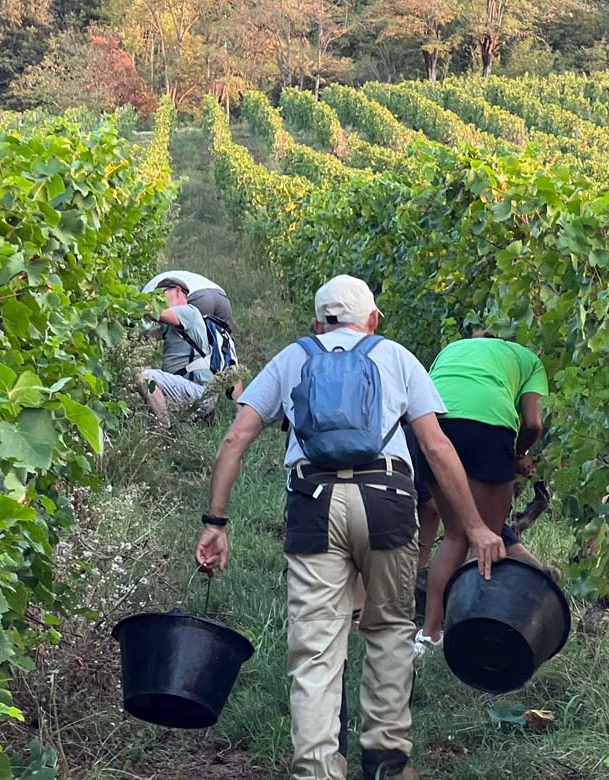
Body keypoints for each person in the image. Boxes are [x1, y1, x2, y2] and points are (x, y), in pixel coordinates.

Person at [193, 275, 505, 780]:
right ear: (373, 319)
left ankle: (317, 768)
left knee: (315, 646)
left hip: (314, 503)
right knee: (386, 631)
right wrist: (475, 526)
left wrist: (216, 522)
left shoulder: (294, 357)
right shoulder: (396, 356)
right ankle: (386, 759)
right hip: (387, 501)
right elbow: (437, 447)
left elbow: (235, 440)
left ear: (317, 322)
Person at [414, 332, 548, 657]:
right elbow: (533, 422)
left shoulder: (452, 348)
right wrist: (519, 453)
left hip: (433, 425)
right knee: (489, 539)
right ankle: (489, 629)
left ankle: (429, 635)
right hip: (489, 425)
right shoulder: (530, 361)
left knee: (456, 536)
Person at [137, 277, 214, 422]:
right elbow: (146, 337)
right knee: (134, 383)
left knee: (144, 377)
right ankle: (163, 424)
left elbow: (157, 314)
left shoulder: (188, 311)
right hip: (186, 389)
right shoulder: (174, 325)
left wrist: (135, 304)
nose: (158, 300)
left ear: (178, 291)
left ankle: (164, 430)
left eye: (161, 294)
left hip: (199, 393)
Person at [144, 270, 235, 330]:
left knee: (186, 338)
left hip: (198, 297)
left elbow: (166, 320)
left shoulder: (146, 296)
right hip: (221, 295)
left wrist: (145, 337)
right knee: (224, 340)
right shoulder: (164, 280)